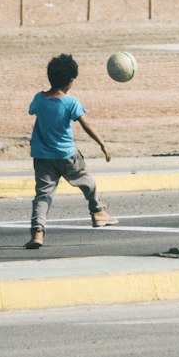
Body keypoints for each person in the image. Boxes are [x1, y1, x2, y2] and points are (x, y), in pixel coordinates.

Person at [25, 52, 114, 249]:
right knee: (87, 181)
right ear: (71, 81)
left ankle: (37, 232)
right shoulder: (71, 102)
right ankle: (98, 212)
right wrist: (102, 144)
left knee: (42, 195)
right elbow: (86, 125)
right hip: (67, 155)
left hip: (42, 157)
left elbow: (32, 110)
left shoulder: (39, 99)